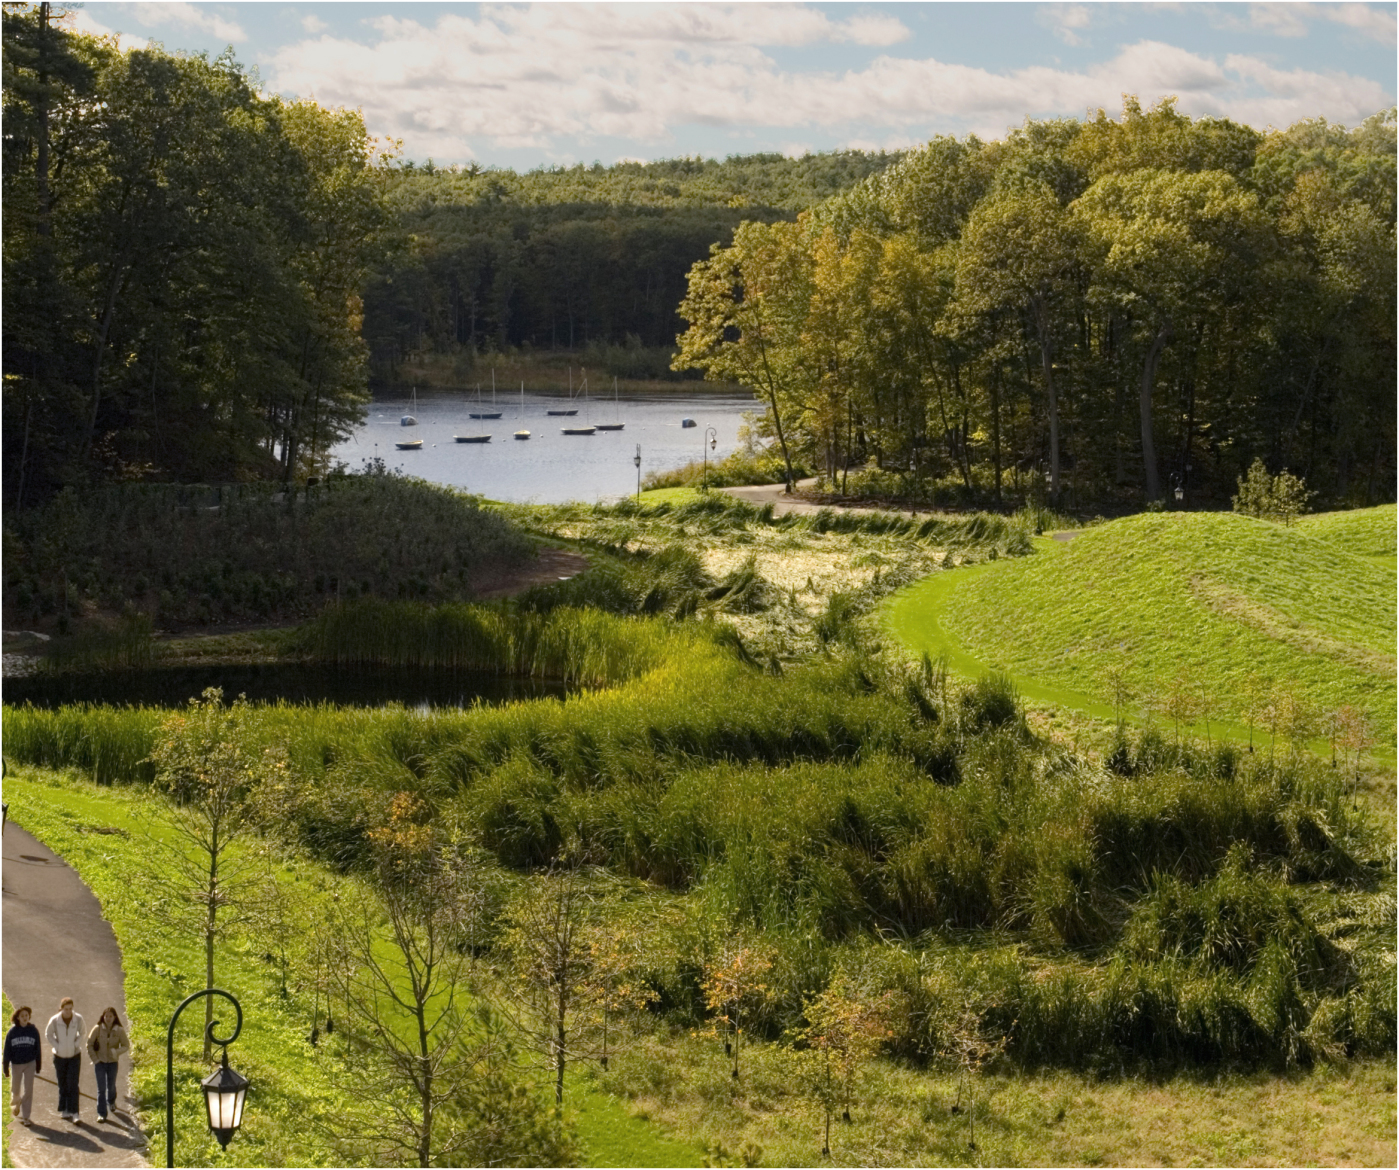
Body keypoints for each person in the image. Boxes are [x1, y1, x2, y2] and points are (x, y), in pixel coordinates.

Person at [44, 997, 85, 1123]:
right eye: (66, 1009)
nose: (68, 1012)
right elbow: (48, 1034)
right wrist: (57, 1046)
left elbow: (83, 1033)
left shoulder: (78, 1019)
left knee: (73, 1084)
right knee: (62, 1084)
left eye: (70, 1009)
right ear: (61, 1008)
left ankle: (75, 1112)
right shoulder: (55, 1020)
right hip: (59, 1057)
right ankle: (65, 1109)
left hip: (74, 1056)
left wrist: (76, 1044)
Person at [86, 1007, 129, 1124]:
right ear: (103, 1017)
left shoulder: (119, 1030)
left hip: (113, 1063)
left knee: (111, 1085)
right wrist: (95, 1059)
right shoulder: (97, 1029)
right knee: (101, 1089)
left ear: (114, 1017)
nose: (108, 1018)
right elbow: (89, 1044)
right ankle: (101, 1113)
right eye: (106, 1016)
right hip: (99, 1063)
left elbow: (126, 1045)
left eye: (110, 1016)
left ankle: (111, 1101)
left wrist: (116, 1052)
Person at [3, 1006, 42, 1126]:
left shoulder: (33, 1030)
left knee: (28, 1090)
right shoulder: (12, 1032)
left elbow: (38, 1049)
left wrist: (38, 1064)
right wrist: (5, 1067)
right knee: (15, 1090)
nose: (25, 1018)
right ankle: (17, 1101)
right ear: (18, 1018)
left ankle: (26, 1117)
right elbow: (7, 1050)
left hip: (30, 1063)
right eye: (22, 1016)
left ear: (29, 1016)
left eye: (26, 1015)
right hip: (16, 1064)